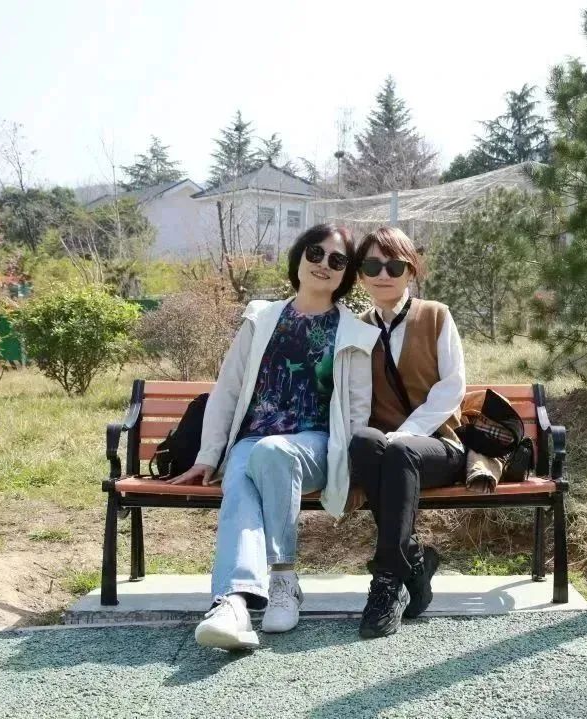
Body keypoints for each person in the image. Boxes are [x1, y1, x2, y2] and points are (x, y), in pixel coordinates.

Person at [168, 224, 379, 650]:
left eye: (337, 260)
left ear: (345, 274)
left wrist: (353, 471)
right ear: (299, 257)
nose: (323, 264)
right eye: (315, 253)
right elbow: (228, 389)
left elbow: (357, 410)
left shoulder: (355, 334)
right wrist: (208, 456)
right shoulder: (261, 318)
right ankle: (233, 603)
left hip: (316, 447)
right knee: (242, 475)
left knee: (271, 452)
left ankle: (282, 578)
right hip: (253, 442)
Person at [347, 226, 468, 639]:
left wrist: (408, 432)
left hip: (438, 445)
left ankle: (386, 581)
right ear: (360, 275)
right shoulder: (358, 329)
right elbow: (353, 398)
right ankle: (414, 560)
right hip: (383, 453)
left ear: (411, 271)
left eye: (394, 266)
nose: (383, 274)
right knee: (364, 441)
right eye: (372, 266)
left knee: (401, 452)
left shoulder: (435, 316)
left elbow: (452, 387)